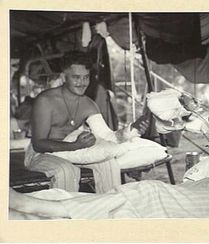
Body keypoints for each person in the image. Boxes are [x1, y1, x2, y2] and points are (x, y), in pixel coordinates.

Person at [9, 42, 209, 219]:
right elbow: (192, 123)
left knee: (151, 192)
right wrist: (177, 110)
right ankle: (49, 203)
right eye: (76, 77)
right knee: (139, 191)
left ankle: (45, 208)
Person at [24, 51, 149, 193]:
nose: (82, 83)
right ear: (64, 77)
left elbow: (108, 136)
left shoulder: (88, 105)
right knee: (66, 171)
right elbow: (39, 144)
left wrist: (130, 131)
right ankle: (66, 214)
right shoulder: (45, 101)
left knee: (109, 164)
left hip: (73, 152)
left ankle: (109, 209)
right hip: (41, 155)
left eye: (86, 77)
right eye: (76, 77)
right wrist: (75, 145)